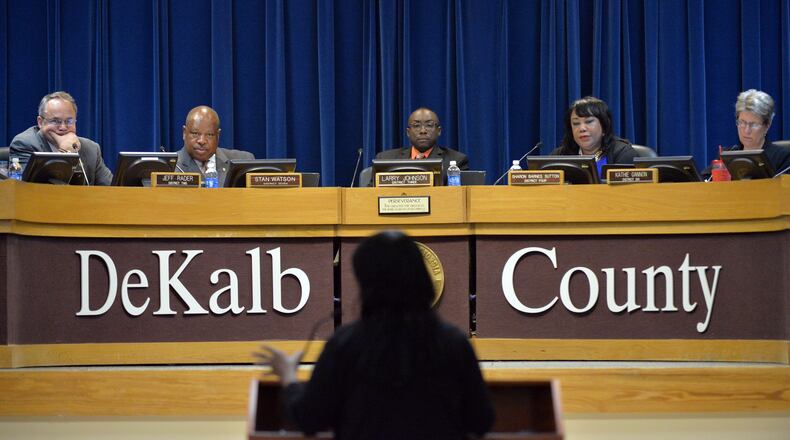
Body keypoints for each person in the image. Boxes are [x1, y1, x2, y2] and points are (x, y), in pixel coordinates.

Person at [255, 231, 494, 440]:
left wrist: (288, 377)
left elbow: (309, 418)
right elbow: (481, 421)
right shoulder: (453, 343)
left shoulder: (345, 344)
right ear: (422, 278)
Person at [10, 91, 113, 185]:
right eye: (56, 121)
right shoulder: (24, 144)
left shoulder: (91, 148)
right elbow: (30, 191)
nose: (63, 127)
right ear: (40, 122)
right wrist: (65, 153)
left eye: (69, 121)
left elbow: (112, 189)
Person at [550, 96, 637, 175]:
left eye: (589, 122)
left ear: (604, 126)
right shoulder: (559, 156)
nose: (582, 128)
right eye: (576, 123)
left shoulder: (622, 154)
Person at [176, 105, 253, 185]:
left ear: (218, 135)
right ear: (184, 133)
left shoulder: (244, 161)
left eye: (209, 135)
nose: (202, 141)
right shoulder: (172, 167)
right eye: (195, 133)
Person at [375, 107, 470, 171]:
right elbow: (370, 195)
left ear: (439, 131)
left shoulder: (456, 161)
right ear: (408, 132)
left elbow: (460, 197)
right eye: (416, 126)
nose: (423, 131)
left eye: (429, 125)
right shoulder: (385, 159)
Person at [726, 89, 790, 174]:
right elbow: (705, 181)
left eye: (754, 124)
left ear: (767, 125)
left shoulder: (783, 158)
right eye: (742, 122)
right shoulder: (728, 156)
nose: (746, 130)